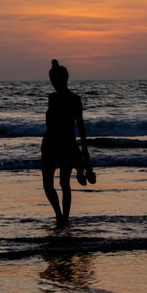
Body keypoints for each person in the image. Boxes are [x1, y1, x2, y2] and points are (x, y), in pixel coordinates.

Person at [41, 59, 89, 225]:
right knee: (64, 183)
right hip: (67, 143)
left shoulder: (53, 99)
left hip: (53, 143)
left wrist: (84, 150)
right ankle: (63, 217)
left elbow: (51, 123)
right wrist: (84, 149)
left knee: (50, 184)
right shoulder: (75, 99)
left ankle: (60, 216)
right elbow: (81, 127)